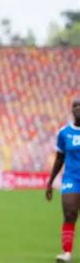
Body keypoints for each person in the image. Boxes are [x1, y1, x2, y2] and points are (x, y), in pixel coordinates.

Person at [46, 98, 80, 262]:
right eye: (75, 106)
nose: (78, 108)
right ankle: (67, 252)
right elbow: (60, 159)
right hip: (72, 178)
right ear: (71, 110)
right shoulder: (64, 132)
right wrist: (50, 181)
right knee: (70, 212)